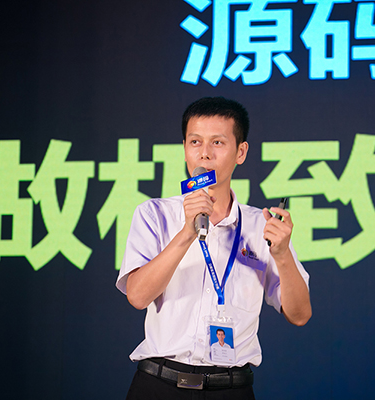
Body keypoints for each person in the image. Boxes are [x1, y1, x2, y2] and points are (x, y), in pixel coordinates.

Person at [116, 96, 312, 399]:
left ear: (240, 152)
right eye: (195, 142)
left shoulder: (259, 226)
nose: (204, 154)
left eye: (217, 143)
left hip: (230, 388)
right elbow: (138, 296)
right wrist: (187, 232)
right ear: (184, 148)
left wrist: (282, 255)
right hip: (159, 384)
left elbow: (299, 315)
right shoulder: (154, 214)